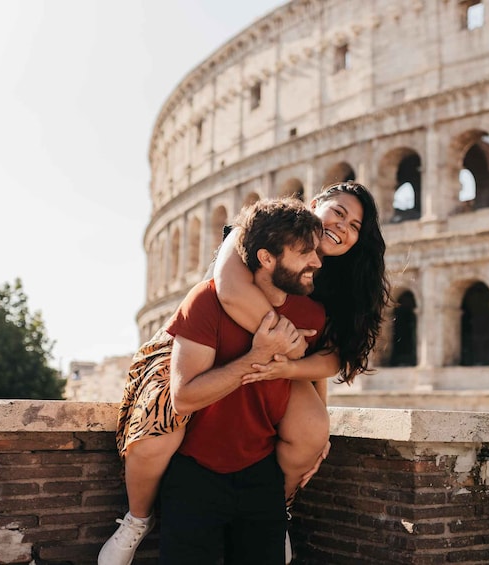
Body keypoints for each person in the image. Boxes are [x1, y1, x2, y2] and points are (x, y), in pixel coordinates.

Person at [99, 182, 389, 564]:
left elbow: (330, 356)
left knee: (310, 433)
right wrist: (286, 345)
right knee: (158, 430)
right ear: (315, 204)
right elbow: (231, 291)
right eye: (338, 212)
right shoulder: (262, 226)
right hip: (204, 338)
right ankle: (137, 519)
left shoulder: (342, 277)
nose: (343, 227)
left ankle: (278, 511)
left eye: (355, 226)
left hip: (277, 360)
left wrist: (305, 389)